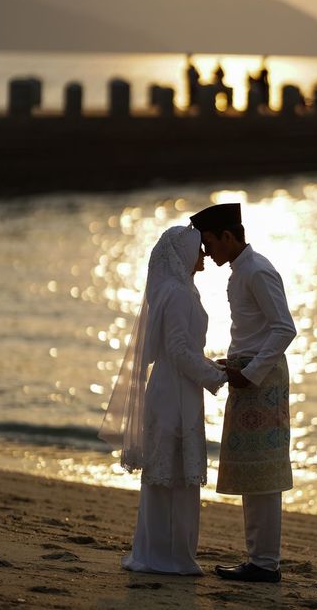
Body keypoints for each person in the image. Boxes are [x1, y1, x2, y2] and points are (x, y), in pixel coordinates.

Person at [99, 225, 226, 575]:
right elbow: (179, 350)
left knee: (167, 475)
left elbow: (180, 348)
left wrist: (210, 366)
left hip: (173, 387)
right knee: (172, 476)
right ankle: (169, 557)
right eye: (199, 250)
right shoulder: (179, 294)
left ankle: (159, 553)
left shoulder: (174, 289)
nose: (203, 255)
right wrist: (217, 375)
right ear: (183, 254)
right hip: (175, 392)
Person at [190, 204, 296, 583]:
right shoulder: (240, 271)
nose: (206, 252)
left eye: (209, 243)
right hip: (249, 375)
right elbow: (255, 331)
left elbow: (285, 328)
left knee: (264, 473)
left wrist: (250, 372)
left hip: (261, 379)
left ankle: (266, 564)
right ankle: (259, 560)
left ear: (229, 237)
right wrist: (232, 362)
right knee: (254, 473)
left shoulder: (257, 269)